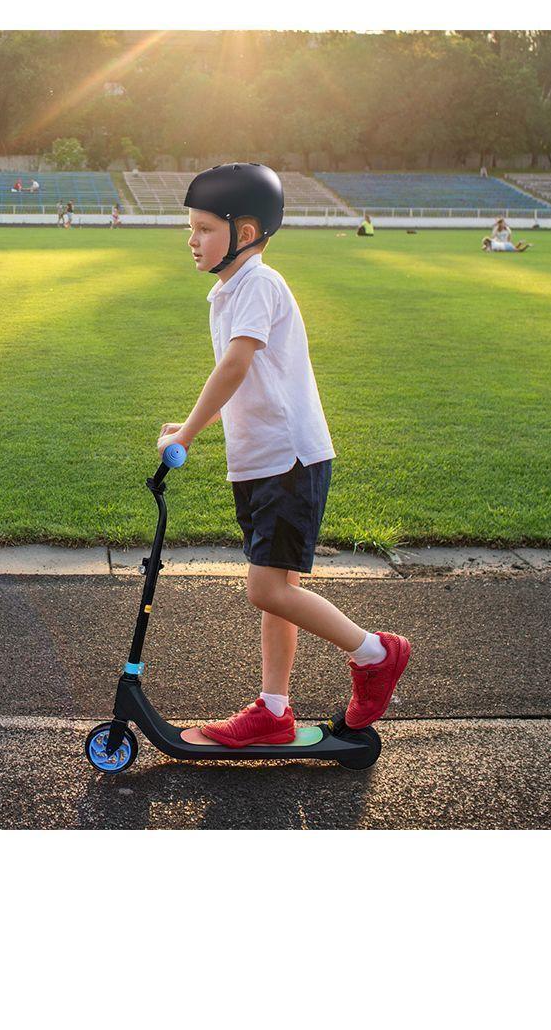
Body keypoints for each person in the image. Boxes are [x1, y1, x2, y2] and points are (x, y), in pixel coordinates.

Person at [156, 162, 411, 747]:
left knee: (266, 589)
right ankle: (274, 709)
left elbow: (237, 364)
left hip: (288, 462)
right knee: (279, 588)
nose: (190, 240)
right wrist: (194, 421)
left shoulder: (259, 284)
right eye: (189, 227)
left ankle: (376, 653)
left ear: (243, 233)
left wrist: (189, 435)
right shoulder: (228, 291)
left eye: (202, 228)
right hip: (263, 460)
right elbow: (243, 375)